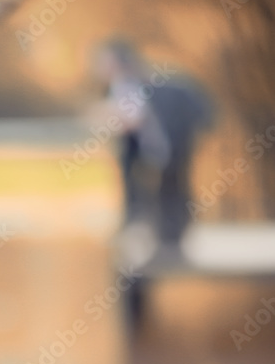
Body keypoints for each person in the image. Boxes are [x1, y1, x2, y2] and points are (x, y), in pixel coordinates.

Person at [92, 38, 214, 247]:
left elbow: (134, 118)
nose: (99, 68)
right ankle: (168, 235)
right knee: (168, 185)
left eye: (104, 62)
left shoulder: (130, 82)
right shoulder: (132, 81)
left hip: (172, 137)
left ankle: (170, 235)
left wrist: (105, 115)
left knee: (170, 186)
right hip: (164, 140)